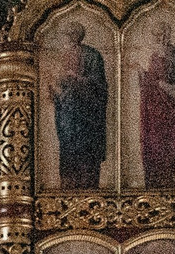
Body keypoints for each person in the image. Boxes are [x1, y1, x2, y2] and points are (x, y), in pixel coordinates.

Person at [46, 21, 107, 190]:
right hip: (66, 113)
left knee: (86, 152)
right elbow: (56, 85)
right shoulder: (62, 56)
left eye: (66, 35)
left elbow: (99, 85)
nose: (64, 39)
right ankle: (68, 188)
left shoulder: (92, 55)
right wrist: (53, 85)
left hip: (87, 114)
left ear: (74, 36)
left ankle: (88, 188)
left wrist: (76, 79)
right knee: (67, 149)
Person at [138, 24, 175, 188]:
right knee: (154, 149)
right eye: (156, 35)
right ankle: (154, 187)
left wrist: (171, 89)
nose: (160, 38)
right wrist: (145, 77)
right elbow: (149, 85)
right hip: (154, 114)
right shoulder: (153, 57)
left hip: (173, 113)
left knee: (173, 149)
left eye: (162, 35)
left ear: (168, 36)